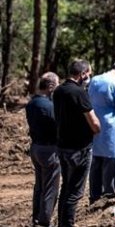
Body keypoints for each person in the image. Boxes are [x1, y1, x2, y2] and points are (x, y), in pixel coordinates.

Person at [53, 60, 101, 227]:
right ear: (82, 74)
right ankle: (67, 224)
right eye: (89, 73)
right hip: (79, 148)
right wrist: (97, 129)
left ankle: (62, 222)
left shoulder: (58, 90)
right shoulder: (79, 93)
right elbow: (94, 122)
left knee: (66, 187)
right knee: (75, 191)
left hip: (62, 146)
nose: (89, 77)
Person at [88, 60, 115, 203]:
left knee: (96, 160)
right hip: (112, 127)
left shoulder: (95, 80)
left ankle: (94, 195)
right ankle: (109, 195)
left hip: (94, 124)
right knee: (112, 161)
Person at [26, 72, 61, 227]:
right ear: (51, 86)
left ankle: (36, 217)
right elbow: (57, 126)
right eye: (58, 83)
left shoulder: (32, 103)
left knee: (39, 185)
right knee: (50, 188)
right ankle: (45, 220)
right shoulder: (49, 106)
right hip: (49, 149)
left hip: (36, 147)